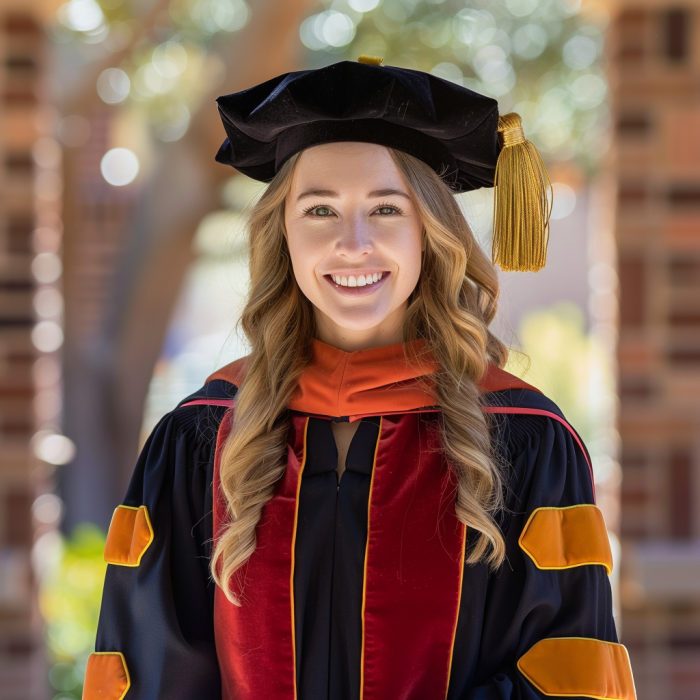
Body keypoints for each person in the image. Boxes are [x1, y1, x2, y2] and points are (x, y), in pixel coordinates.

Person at [83, 58, 636, 700]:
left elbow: (569, 673)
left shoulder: (522, 439)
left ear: (430, 235)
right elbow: (148, 672)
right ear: (281, 232)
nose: (353, 243)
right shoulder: (201, 439)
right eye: (320, 210)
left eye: (385, 210)